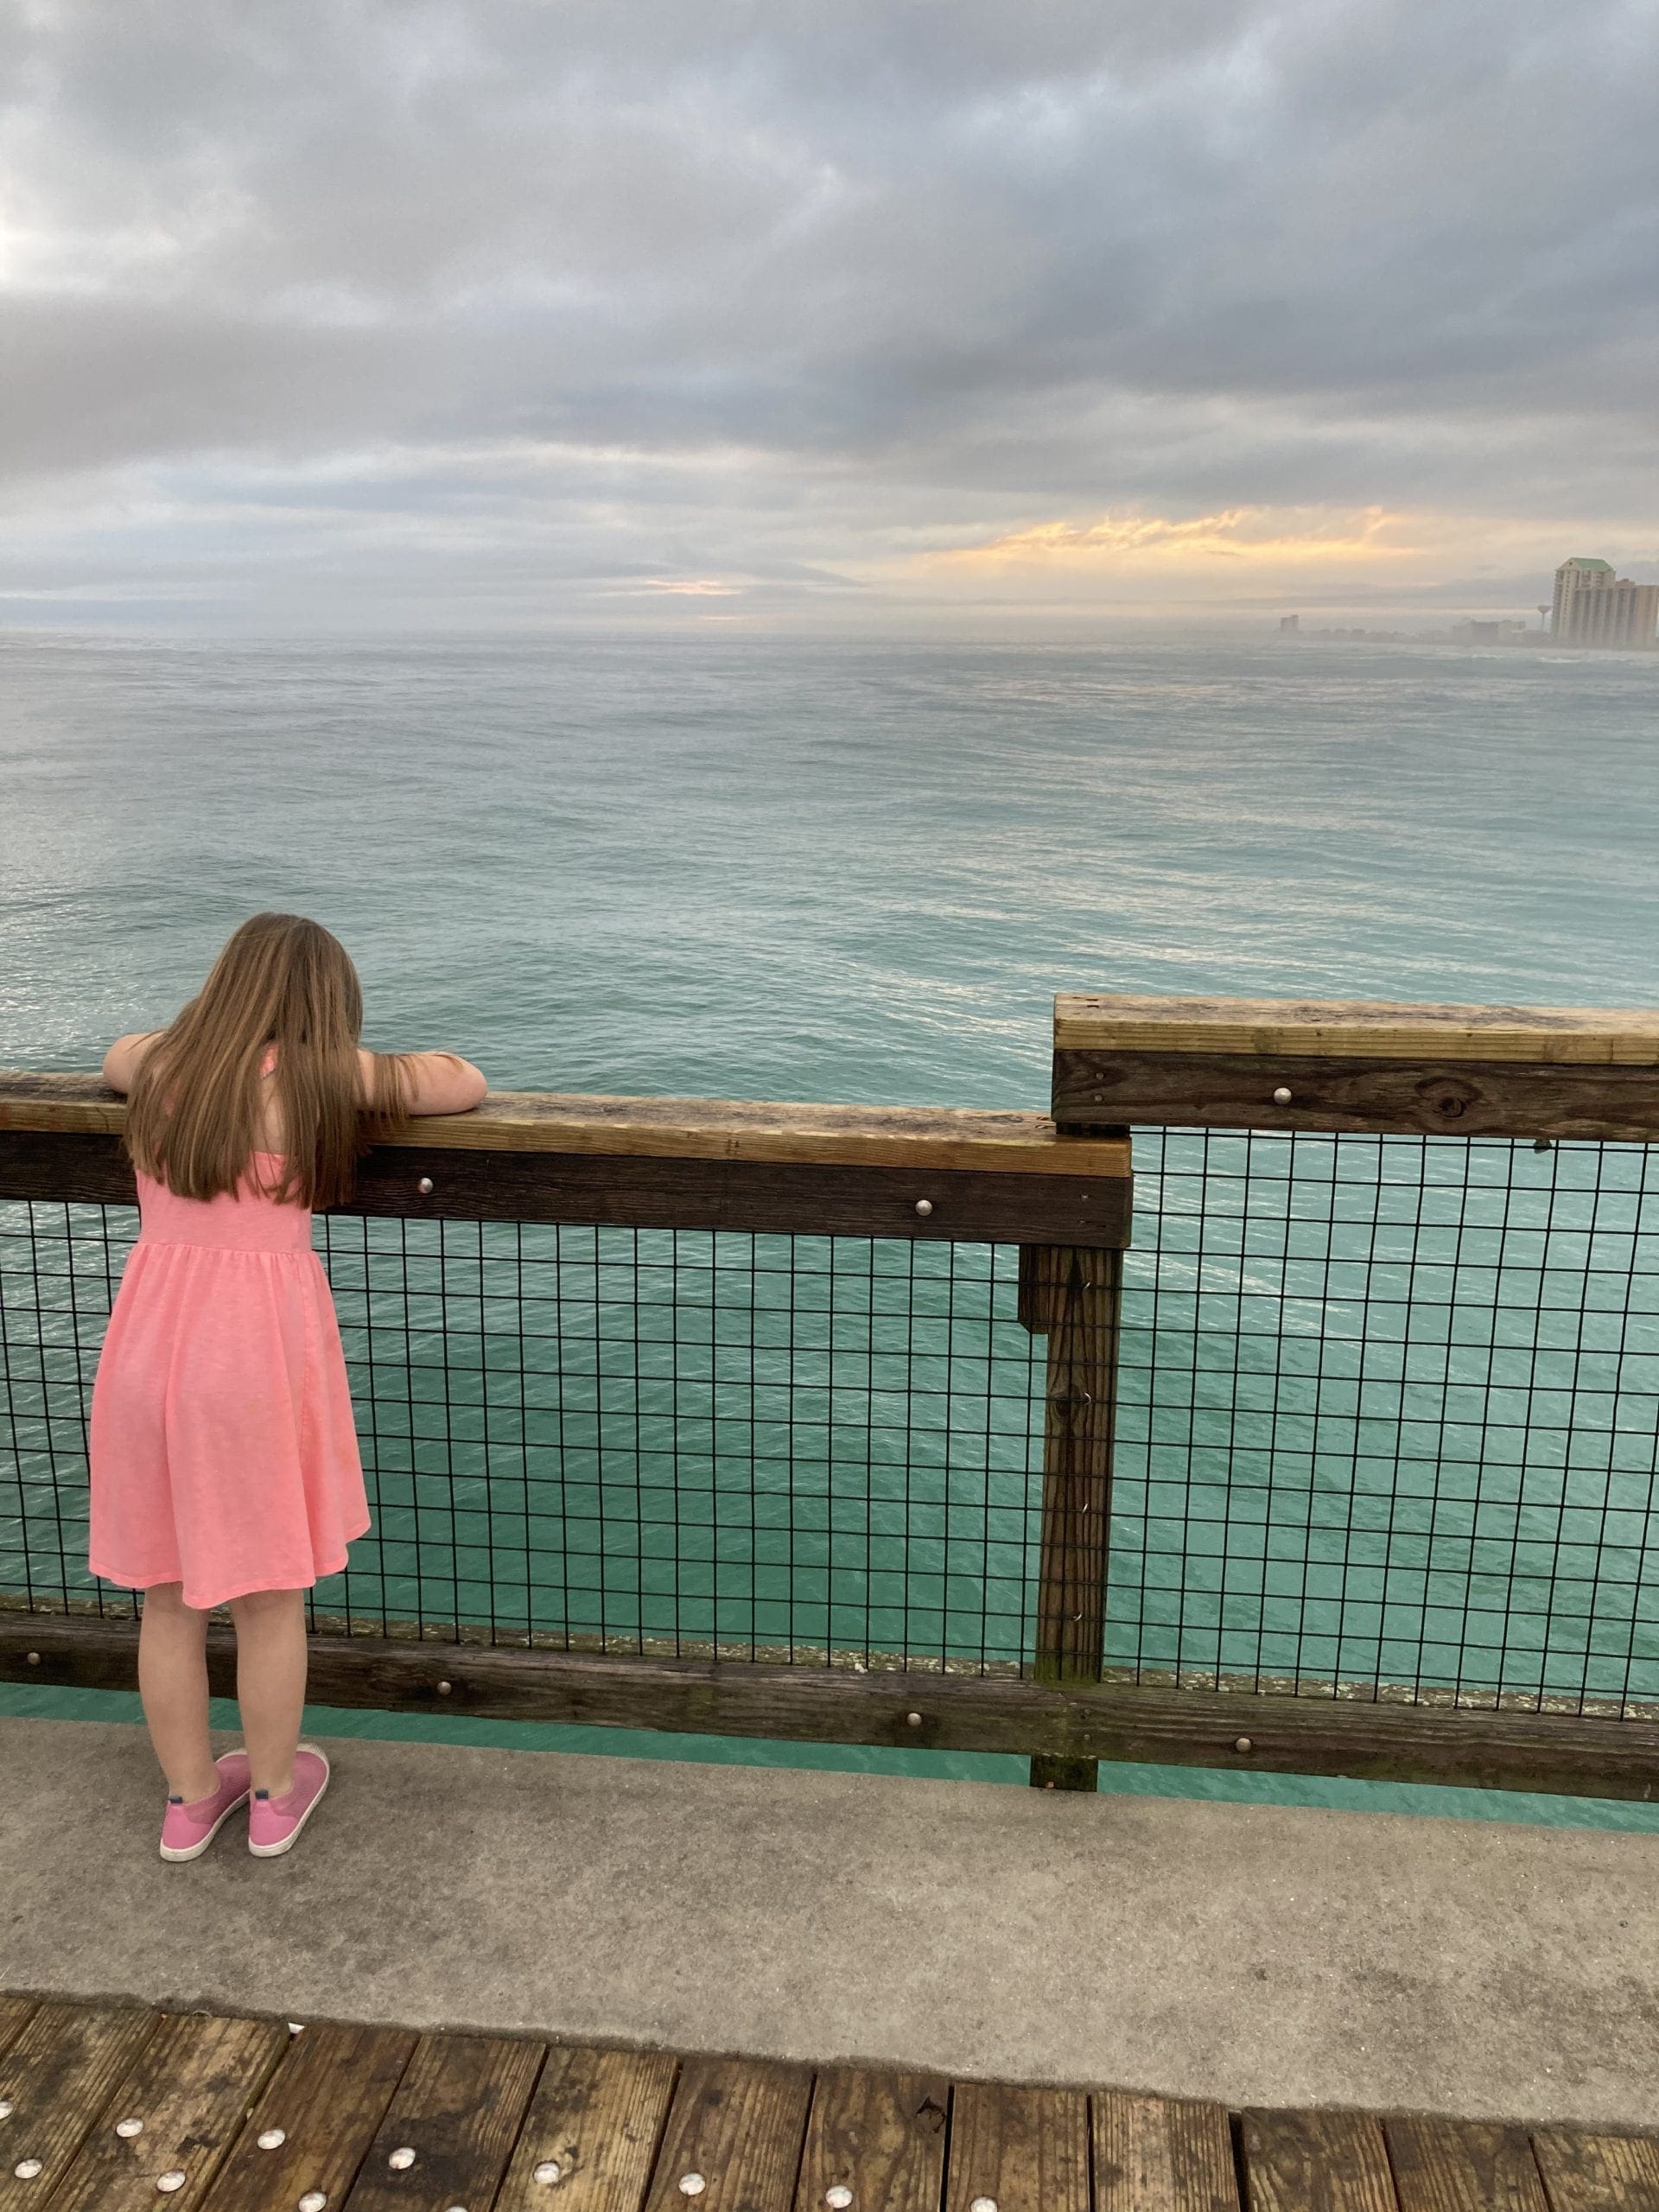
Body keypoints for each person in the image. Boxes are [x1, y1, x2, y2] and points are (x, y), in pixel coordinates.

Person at [90, 912, 486, 1860]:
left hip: (145, 1355)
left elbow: (115, 1055)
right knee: (269, 1595)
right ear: (321, 1006)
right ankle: (272, 1795)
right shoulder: (319, 1079)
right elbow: (463, 1079)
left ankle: (189, 1801)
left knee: (166, 1594)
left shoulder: (164, 1065)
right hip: (251, 1363)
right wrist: (341, 1058)